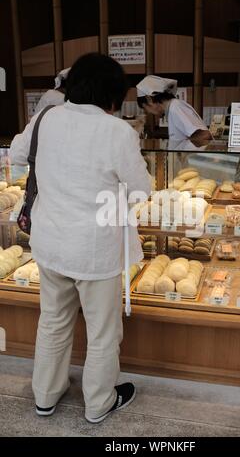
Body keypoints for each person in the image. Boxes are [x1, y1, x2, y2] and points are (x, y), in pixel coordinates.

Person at [9, 53, 151, 424]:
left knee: (53, 321)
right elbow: (140, 190)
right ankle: (98, 403)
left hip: (51, 242)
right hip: (96, 251)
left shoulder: (44, 118)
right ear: (112, 94)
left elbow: (19, 155)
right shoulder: (118, 132)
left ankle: (45, 395)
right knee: (103, 332)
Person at [136, 75, 212, 151]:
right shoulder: (172, 108)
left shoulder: (175, 107)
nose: (148, 112)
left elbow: (205, 135)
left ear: (149, 99)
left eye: (145, 108)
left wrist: (183, 155)